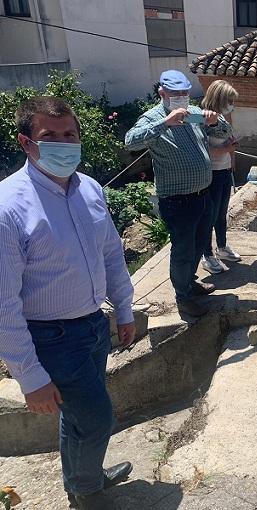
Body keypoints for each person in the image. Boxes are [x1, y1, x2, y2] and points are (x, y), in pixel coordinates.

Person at [0, 97, 135, 510]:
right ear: (26, 142)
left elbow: (110, 253)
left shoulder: (90, 188)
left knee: (76, 418)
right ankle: (88, 493)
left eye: (69, 135)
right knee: (96, 419)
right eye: (49, 137)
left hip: (92, 325)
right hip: (51, 336)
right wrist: (29, 376)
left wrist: (124, 309)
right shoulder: (8, 207)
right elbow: (3, 303)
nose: (63, 144)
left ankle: (82, 477)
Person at [125, 70, 232, 317]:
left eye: (185, 92)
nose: (182, 97)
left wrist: (214, 121)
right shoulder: (153, 118)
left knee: (197, 246)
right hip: (178, 200)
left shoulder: (193, 114)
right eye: (176, 94)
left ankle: (190, 283)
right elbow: (131, 141)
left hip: (203, 195)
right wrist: (165, 122)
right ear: (162, 93)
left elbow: (223, 133)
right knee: (183, 250)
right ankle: (183, 298)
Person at [200, 80, 242, 274]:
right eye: (229, 100)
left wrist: (231, 157)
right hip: (212, 173)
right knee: (210, 215)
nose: (232, 104)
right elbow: (204, 149)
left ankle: (222, 247)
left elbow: (228, 140)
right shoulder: (204, 119)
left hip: (224, 170)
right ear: (220, 99)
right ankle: (206, 254)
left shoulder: (223, 118)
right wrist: (227, 149)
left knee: (222, 213)